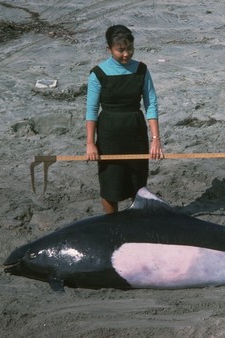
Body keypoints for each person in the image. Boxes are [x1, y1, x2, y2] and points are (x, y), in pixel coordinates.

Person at [85, 25, 164, 214]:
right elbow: (92, 109)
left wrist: (155, 140)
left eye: (129, 48)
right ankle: (113, 225)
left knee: (137, 184)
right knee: (111, 185)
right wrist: (90, 143)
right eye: (120, 50)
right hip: (109, 134)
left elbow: (151, 104)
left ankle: (134, 223)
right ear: (109, 49)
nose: (126, 54)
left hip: (135, 131)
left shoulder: (142, 70)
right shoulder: (98, 73)